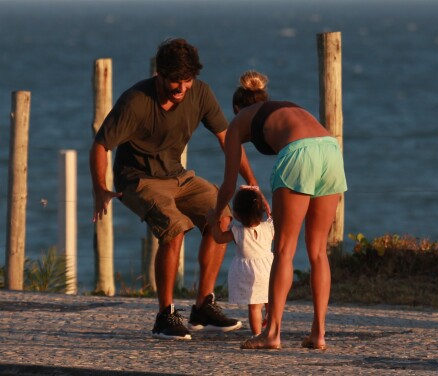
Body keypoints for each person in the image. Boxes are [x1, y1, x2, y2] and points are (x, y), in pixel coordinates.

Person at [90, 38, 259, 340]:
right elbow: (101, 145)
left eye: (187, 81)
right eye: (175, 82)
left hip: (177, 176)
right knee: (175, 228)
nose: (181, 89)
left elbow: (228, 140)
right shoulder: (136, 101)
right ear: (160, 75)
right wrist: (100, 189)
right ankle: (164, 316)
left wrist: (252, 183)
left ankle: (203, 307)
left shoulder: (201, 94)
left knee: (221, 216)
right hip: (137, 179)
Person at [207, 70, 347, 350]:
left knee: (284, 250)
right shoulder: (284, 107)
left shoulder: (236, 123)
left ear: (237, 108)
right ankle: (318, 335)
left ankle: (272, 333)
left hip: (299, 153)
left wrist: (214, 216)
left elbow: (229, 183)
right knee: (318, 251)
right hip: (331, 149)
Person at [210, 186, 274, 336]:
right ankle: (271, 326)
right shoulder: (269, 227)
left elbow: (219, 238)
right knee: (270, 300)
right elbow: (273, 217)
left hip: (249, 274)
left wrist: (214, 223)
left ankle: (257, 335)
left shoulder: (237, 231)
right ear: (261, 210)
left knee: (254, 308)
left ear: (237, 215)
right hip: (268, 269)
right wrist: (259, 193)